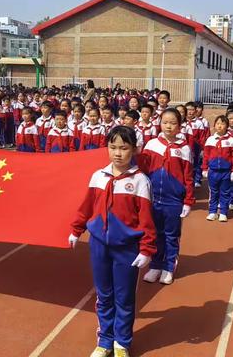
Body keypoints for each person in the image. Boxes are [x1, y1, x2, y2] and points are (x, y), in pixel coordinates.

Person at [69, 126, 156, 357]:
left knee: (124, 297)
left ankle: (122, 342)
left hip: (127, 249)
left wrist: (147, 249)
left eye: (124, 148)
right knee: (104, 295)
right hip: (98, 245)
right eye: (113, 147)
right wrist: (76, 230)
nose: (118, 153)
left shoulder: (140, 181)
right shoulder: (98, 176)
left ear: (134, 150)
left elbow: (147, 219)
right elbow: (86, 207)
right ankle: (105, 340)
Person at [140, 108, 194, 285]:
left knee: (171, 235)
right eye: (165, 122)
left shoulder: (184, 149)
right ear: (160, 123)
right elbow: (143, 171)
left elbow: (188, 176)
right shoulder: (152, 145)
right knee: (155, 234)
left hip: (174, 201)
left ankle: (169, 267)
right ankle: (155, 265)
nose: (168, 126)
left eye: (173, 123)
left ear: (179, 126)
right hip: (154, 199)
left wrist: (188, 201)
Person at [202, 115, 233, 222]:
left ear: (227, 126)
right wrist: (204, 168)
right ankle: (212, 212)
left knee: (225, 192)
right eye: (217, 123)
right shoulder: (210, 140)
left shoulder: (231, 141)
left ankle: (223, 212)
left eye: (222, 124)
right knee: (213, 192)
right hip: (213, 171)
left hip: (226, 172)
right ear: (214, 125)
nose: (220, 126)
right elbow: (206, 156)